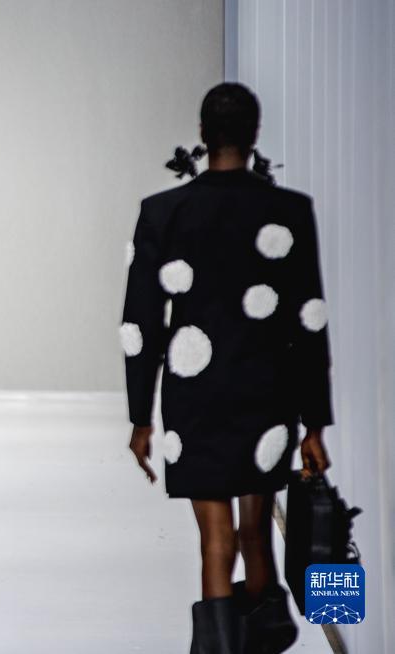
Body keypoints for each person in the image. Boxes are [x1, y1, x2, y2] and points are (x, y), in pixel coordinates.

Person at [119, 82, 334, 653]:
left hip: (196, 398)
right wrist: (315, 424)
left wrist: (141, 418)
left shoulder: (162, 213)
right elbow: (309, 322)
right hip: (265, 396)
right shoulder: (289, 211)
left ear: (202, 134)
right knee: (255, 533)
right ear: (255, 133)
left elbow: (141, 325)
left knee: (216, 542)